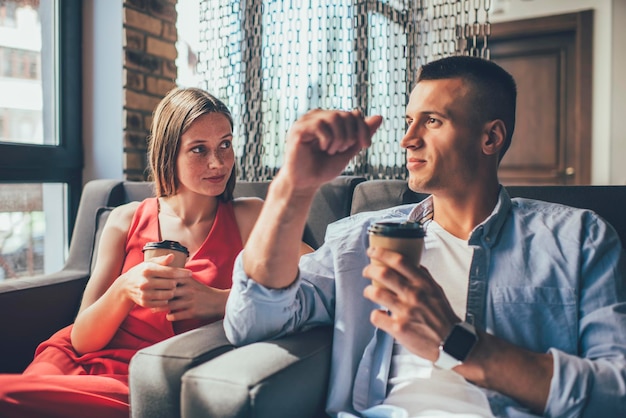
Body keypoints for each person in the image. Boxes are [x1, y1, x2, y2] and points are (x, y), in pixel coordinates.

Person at [224, 56, 626, 417]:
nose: (407, 139)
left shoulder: (578, 239)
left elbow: (615, 392)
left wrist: (458, 342)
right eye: (408, 121)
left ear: (491, 138)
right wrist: (293, 186)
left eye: (432, 121)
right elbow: (253, 319)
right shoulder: (362, 239)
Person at [0, 87, 310, 418]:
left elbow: (321, 279)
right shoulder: (125, 219)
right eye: (198, 150)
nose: (218, 162)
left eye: (225, 144)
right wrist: (124, 288)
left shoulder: (249, 217)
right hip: (74, 363)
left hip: (152, 377)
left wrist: (223, 300)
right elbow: (82, 340)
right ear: (168, 154)